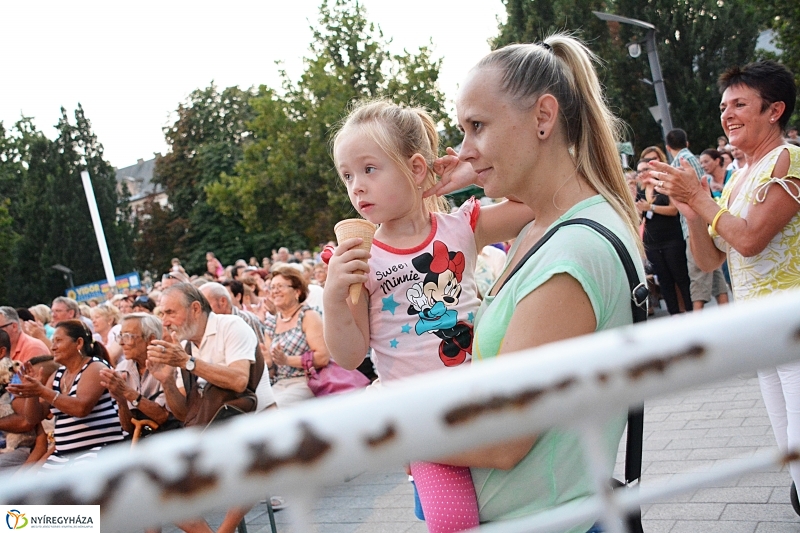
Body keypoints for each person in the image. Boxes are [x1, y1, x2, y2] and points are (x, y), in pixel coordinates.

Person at [412, 35, 645, 532]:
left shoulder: (570, 251)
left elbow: (504, 437)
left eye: (477, 126)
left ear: (543, 117)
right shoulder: (545, 226)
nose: (464, 150)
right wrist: (478, 170)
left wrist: (386, 425)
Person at [324, 98, 534, 533]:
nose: (356, 187)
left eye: (369, 169)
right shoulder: (360, 259)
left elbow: (535, 203)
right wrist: (332, 297)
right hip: (419, 418)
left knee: (522, 508)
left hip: (485, 399)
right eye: (347, 175)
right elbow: (349, 355)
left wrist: (472, 174)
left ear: (417, 169)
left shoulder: (463, 226)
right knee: (453, 522)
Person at [655, 59, 800, 515]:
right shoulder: (739, 175)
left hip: (792, 324)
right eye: (724, 107)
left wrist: (700, 198)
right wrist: (692, 213)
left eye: (739, 104)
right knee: (790, 450)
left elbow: (751, 239)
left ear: (774, 110)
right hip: (765, 331)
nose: (727, 115)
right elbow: (711, 259)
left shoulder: (789, 159)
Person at [146, 283, 266, 533]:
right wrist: (167, 382)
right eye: (162, 314)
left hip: (250, 422)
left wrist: (188, 362)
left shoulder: (230, 326)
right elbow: (184, 413)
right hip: (208, 431)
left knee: (252, 469)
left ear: (195, 309)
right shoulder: (185, 346)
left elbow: (239, 380)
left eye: (170, 312)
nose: (165, 321)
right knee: (158, 492)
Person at [8, 320, 124, 470]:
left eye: (58, 341)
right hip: (64, 455)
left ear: (79, 343)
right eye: (53, 342)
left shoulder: (95, 367)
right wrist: (32, 393)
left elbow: (81, 408)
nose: (53, 347)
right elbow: (33, 418)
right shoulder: (58, 375)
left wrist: (42, 391)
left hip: (99, 450)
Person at [665, 129, 729, 310]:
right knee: (717, 277)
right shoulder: (692, 159)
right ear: (687, 143)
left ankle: (697, 321)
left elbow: (688, 198)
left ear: (668, 147)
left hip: (694, 226)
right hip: (707, 220)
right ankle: (728, 316)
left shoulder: (679, 164)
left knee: (697, 277)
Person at [98, 313, 177, 437]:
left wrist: (127, 392)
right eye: (120, 336)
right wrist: (121, 401)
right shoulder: (122, 368)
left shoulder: (168, 365)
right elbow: (128, 428)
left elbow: (164, 417)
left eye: (128, 336)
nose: (121, 343)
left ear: (150, 339)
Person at [634, 159, 691, 315]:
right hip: (652, 241)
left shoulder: (663, 186)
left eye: (645, 169)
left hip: (671, 238)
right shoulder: (640, 190)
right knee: (664, 280)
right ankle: (674, 314)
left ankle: (690, 311)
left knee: (681, 277)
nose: (642, 173)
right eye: (639, 171)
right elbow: (639, 219)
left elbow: (673, 210)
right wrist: (640, 210)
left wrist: (651, 207)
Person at [265, 267, 329, 408]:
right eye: (272, 287)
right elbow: (273, 369)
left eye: (280, 286)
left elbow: (322, 358)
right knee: (256, 408)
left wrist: (287, 360)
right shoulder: (271, 322)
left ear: (297, 291)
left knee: (273, 410)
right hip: (279, 383)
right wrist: (268, 362)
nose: (275, 291)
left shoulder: (308, 316)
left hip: (307, 381)